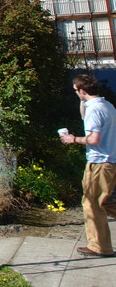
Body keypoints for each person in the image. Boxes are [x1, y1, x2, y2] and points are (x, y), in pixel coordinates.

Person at [60, 73, 116, 257]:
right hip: (110, 161)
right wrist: (83, 101)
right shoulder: (107, 106)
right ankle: (100, 245)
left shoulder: (95, 110)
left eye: (76, 91)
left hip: (99, 162)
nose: (75, 93)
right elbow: (85, 117)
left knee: (92, 204)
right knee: (105, 201)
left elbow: (94, 138)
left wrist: (73, 139)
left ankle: (99, 247)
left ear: (81, 90)